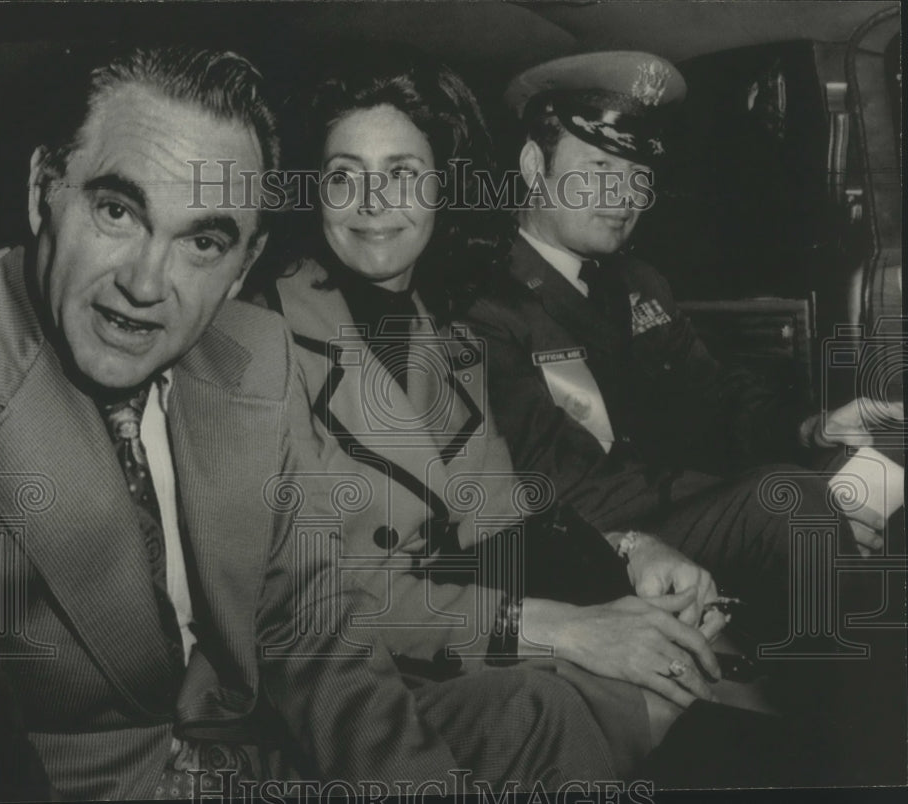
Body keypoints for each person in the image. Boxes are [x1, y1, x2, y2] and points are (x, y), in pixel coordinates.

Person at [0, 44, 603, 801]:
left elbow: (314, 628)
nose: (146, 284)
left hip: (258, 747)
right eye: (116, 210)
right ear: (44, 188)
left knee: (550, 720)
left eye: (203, 242)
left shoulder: (253, 349)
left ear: (243, 263)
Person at [250, 47, 814, 786]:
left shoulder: (441, 340)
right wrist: (560, 628)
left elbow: (502, 524)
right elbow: (311, 607)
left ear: (443, 187)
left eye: (401, 175)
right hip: (337, 678)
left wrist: (632, 553)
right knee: (559, 713)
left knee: (713, 701)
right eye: (343, 176)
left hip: (444, 634)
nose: (372, 203)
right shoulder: (260, 340)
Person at [462, 51, 905, 783]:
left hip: (667, 509)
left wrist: (815, 431)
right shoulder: (484, 302)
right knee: (785, 503)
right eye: (601, 170)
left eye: (639, 176)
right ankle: (873, 754)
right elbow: (556, 484)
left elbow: (718, 392)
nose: (626, 194)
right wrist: (773, 486)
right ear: (532, 165)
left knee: (880, 468)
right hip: (579, 542)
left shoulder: (638, 283)